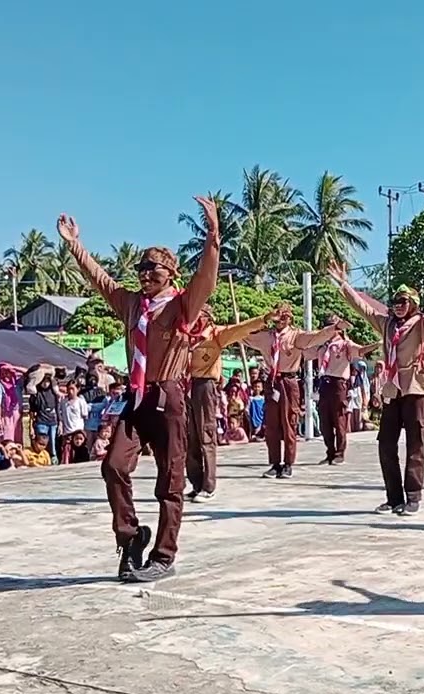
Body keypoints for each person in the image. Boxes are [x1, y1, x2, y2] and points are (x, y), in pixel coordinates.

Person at [58, 195, 221, 583]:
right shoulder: (131, 304)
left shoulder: (183, 305)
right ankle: (131, 535)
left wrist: (213, 234)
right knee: (113, 466)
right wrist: (74, 244)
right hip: (135, 397)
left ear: (170, 273)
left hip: (168, 397)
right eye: (140, 268)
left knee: (170, 480)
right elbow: (100, 280)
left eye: (152, 269)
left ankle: (164, 554)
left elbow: (207, 276)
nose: (144, 275)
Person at [328, 247, 424, 515]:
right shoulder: (386, 324)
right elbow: (362, 308)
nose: (398, 306)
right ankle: (393, 496)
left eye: (403, 301)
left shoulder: (423, 323)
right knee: (385, 442)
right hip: (393, 389)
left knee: (415, 444)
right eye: (395, 301)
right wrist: (344, 284)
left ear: (414, 304)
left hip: (416, 387)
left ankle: (413, 495)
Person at [242, 304, 347, 478]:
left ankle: (288, 463)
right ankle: (275, 463)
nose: (280, 320)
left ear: (290, 319)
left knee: (289, 422)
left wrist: (335, 328)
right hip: (272, 382)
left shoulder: (295, 336)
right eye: (278, 316)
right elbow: (244, 335)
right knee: (272, 425)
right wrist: (264, 319)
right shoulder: (266, 337)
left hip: (289, 382)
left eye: (284, 317)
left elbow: (316, 336)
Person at [185, 305, 274, 501]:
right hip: (186, 385)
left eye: (198, 315)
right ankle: (195, 483)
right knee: (190, 437)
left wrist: (264, 318)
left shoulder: (216, 334)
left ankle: (208, 486)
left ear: (208, 317)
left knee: (206, 434)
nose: (194, 319)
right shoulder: (184, 334)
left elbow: (240, 328)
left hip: (204, 385)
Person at [311, 320, 378, 465]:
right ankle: (329, 452)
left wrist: (378, 343)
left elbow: (361, 350)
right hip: (324, 383)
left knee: (339, 419)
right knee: (325, 421)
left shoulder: (345, 344)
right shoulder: (322, 346)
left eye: (331, 327)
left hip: (338, 384)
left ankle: (339, 453)